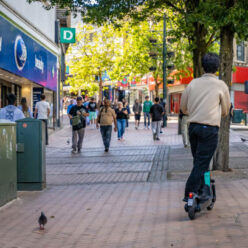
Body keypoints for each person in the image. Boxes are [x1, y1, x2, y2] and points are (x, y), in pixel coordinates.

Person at [180, 52, 231, 202]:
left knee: (200, 161)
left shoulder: (192, 83)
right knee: (202, 163)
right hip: (209, 129)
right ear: (217, 67)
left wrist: (195, 112)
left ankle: (205, 189)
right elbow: (225, 110)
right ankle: (189, 191)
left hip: (193, 127)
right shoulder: (221, 85)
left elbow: (183, 108)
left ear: (202, 67)